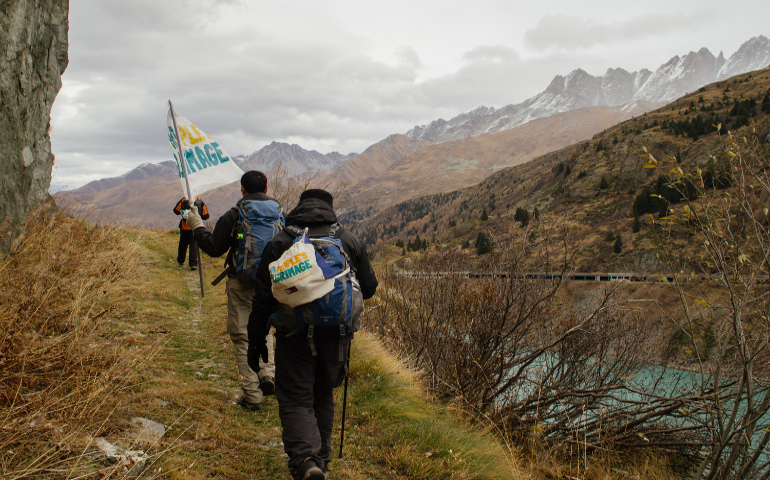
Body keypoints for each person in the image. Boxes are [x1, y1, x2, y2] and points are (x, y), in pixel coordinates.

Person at [247, 189, 378, 480]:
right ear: (329, 209)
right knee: (322, 395)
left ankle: (307, 461)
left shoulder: (281, 241)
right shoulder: (347, 239)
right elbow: (369, 288)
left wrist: (255, 342)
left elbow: (262, 301)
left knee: (295, 399)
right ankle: (323, 461)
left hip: (293, 335)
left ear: (299, 208)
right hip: (337, 335)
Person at [181, 171, 281, 411]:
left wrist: (197, 226)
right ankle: (267, 373)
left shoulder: (235, 215)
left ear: (242, 190)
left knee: (242, 335)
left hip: (241, 282)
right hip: (271, 284)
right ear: (266, 189)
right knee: (265, 327)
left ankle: (252, 396)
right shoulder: (280, 215)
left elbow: (214, 248)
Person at [172, 196, 209, 270]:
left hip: (184, 226)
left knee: (183, 243)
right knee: (194, 245)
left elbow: (176, 211)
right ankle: (193, 263)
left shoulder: (183, 200)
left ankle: (181, 260)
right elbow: (206, 216)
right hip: (195, 227)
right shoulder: (200, 201)